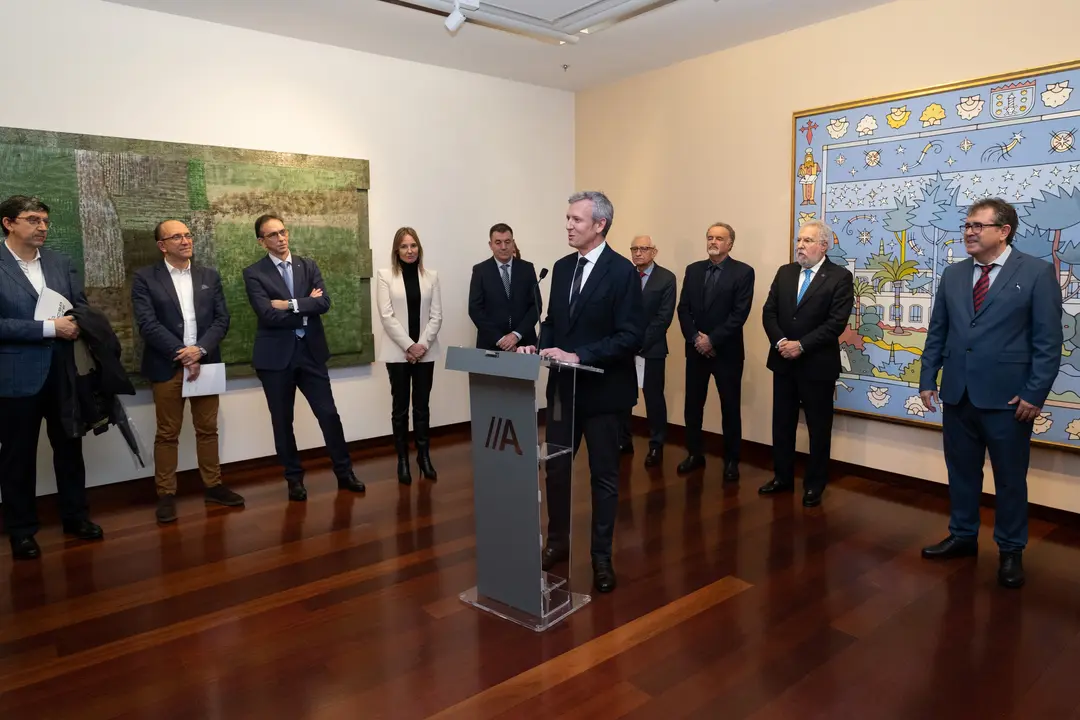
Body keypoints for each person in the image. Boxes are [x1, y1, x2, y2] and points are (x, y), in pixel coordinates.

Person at [919, 198, 1062, 589]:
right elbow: (939, 331)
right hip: (958, 394)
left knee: (1009, 479)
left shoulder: (1036, 273)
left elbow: (1048, 342)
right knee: (961, 472)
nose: (969, 231)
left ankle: (1011, 551)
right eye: (967, 224)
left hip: (1009, 400)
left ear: (1004, 231)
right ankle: (963, 536)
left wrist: (1035, 393)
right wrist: (928, 378)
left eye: (978, 225)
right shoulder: (953, 274)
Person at [518, 191, 643, 593]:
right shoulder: (561, 266)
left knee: (604, 477)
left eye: (576, 220)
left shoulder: (622, 272)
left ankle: (601, 558)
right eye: (568, 219)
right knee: (555, 469)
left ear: (600, 225)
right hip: (563, 393)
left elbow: (630, 335)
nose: (568, 225)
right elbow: (554, 321)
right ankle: (556, 543)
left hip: (605, 393)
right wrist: (539, 345)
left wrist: (579, 354)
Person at [0, 195, 102, 559]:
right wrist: (47, 328)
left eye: (45, 220)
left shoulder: (61, 262)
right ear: (8, 223)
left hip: (64, 374)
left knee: (70, 450)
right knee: (17, 457)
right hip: (16, 377)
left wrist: (76, 320)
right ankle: (22, 531)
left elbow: (81, 305)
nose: (42, 226)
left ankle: (76, 517)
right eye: (32, 220)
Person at [242, 214, 365, 501]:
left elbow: (324, 303)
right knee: (283, 422)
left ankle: (345, 473)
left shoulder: (307, 265)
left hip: (310, 353)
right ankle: (294, 479)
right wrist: (305, 309)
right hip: (275, 360)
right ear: (262, 241)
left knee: (329, 415)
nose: (281, 238)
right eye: (272, 235)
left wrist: (290, 304)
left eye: (283, 232)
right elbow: (267, 315)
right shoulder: (254, 273)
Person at [131, 219, 245, 523]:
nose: (185, 241)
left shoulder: (209, 275)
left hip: (205, 362)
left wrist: (200, 350)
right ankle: (166, 494)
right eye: (177, 237)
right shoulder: (145, 278)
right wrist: (182, 354)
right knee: (167, 433)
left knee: (207, 429)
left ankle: (213, 486)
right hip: (167, 365)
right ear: (162, 245)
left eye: (188, 235)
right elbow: (147, 323)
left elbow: (222, 319)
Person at [760, 219, 853, 507]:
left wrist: (801, 345)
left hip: (817, 365)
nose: (800, 246)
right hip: (783, 362)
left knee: (818, 427)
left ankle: (815, 484)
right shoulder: (785, 272)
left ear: (824, 245)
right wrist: (781, 344)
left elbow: (835, 323)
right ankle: (782, 477)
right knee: (782, 424)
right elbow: (769, 312)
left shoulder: (839, 277)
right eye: (799, 240)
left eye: (807, 241)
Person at [675, 223, 755, 481]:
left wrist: (712, 340)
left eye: (719, 238)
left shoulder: (743, 272)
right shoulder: (693, 270)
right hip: (696, 350)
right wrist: (696, 338)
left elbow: (739, 314)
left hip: (727, 353)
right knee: (693, 406)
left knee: (730, 408)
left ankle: (731, 460)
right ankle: (694, 454)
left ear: (730, 243)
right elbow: (683, 309)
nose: (713, 242)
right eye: (710, 237)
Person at [376, 227, 443, 485]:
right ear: (397, 250)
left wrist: (422, 345)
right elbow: (386, 316)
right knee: (400, 409)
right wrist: (408, 346)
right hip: (398, 354)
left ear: (419, 248)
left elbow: (436, 315)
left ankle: (423, 457)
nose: (409, 250)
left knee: (422, 407)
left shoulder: (431, 277)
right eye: (404, 246)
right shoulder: (385, 276)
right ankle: (402, 459)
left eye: (413, 245)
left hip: (425, 352)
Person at [619, 235, 675, 467]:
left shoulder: (666, 278)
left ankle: (656, 445)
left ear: (654, 251)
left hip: (652, 349)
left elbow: (664, 317)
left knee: (653, 398)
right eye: (634, 248)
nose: (638, 252)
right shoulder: (624, 275)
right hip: (623, 348)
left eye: (644, 248)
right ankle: (624, 440)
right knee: (623, 396)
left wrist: (639, 342)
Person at [468, 223, 539, 352]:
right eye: (498, 242)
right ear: (491, 245)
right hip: (491, 344)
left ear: (513, 243)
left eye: (507, 242)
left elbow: (536, 306)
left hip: (523, 344)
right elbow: (475, 309)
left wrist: (516, 335)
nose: (504, 247)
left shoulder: (527, 269)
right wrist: (500, 339)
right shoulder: (480, 271)